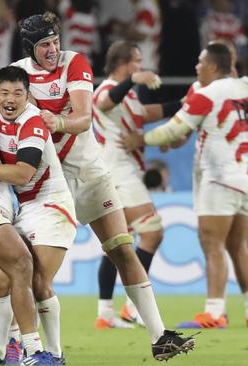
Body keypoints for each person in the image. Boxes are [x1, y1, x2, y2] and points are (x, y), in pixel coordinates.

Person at [13, 12, 195, 361]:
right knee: (34, 273)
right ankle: (41, 350)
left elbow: (83, 119)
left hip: (91, 174)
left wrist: (57, 119)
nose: (53, 50)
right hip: (52, 186)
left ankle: (160, 337)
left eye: (55, 42)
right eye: (44, 45)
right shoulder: (19, 75)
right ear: (29, 48)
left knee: (122, 248)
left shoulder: (74, 63)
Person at [122, 43, 248, 330]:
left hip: (219, 178)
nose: (196, 67)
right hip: (244, 175)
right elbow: (184, 133)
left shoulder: (206, 93)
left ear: (213, 66)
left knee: (211, 242)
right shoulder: (243, 88)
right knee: (238, 244)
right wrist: (174, 139)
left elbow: (174, 129)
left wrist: (140, 140)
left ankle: (215, 312)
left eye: (200, 62)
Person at [0, 65, 77, 365]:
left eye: (18, 93)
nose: (10, 99)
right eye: (4, 93)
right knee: (0, 279)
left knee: (36, 281)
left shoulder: (32, 122)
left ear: (28, 97)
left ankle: (54, 355)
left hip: (52, 207)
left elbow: (23, 173)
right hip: (24, 209)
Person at [92, 40, 182, 329]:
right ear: (124, 63)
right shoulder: (105, 91)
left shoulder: (130, 100)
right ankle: (133, 306)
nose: (142, 67)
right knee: (153, 233)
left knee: (117, 243)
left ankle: (105, 313)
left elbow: (150, 113)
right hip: (119, 173)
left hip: (124, 172)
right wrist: (133, 79)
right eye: (137, 61)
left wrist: (187, 104)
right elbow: (107, 103)